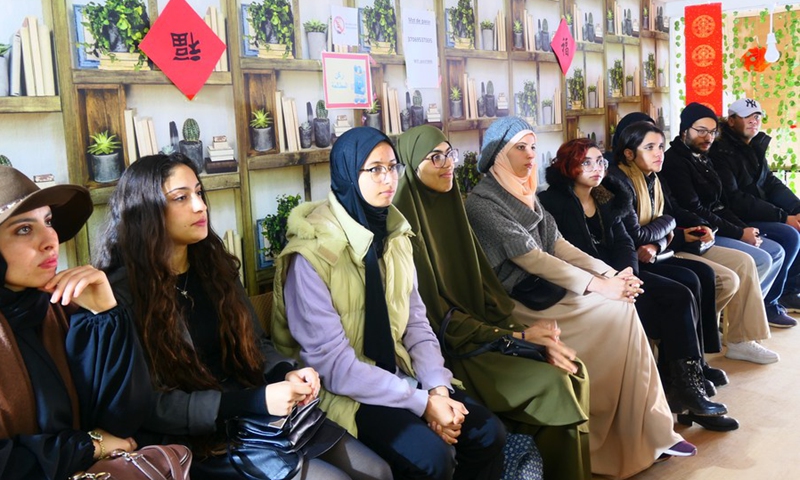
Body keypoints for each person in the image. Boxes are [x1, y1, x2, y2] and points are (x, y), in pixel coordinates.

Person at [96, 154, 391, 480]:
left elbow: (257, 344)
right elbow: (152, 406)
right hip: (199, 439)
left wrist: (286, 372)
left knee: (377, 471)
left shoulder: (213, 266)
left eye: (199, 192)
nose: (200, 206)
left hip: (257, 413)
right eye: (181, 198)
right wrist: (254, 401)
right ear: (144, 210)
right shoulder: (122, 295)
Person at [464, 117, 695, 479]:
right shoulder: (482, 202)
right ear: (497, 154)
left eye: (532, 147)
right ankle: (606, 440)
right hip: (518, 301)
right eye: (519, 148)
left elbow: (558, 245)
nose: (529, 155)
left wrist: (610, 274)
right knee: (618, 312)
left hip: (548, 289)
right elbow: (532, 258)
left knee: (624, 306)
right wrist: (599, 286)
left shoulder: (524, 191)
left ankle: (649, 430)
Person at [271, 127, 507, 480]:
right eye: (375, 169)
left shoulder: (395, 233)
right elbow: (334, 367)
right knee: (432, 457)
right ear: (349, 174)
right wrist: (425, 405)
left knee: (488, 432)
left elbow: (416, 324)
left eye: (393, 166)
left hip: (401, 375)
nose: (389, 178)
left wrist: (437, 388)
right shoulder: (310, 257)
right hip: (343, 393)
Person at [392, 125, 591, 479]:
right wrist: (519, 339)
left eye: (448, 154)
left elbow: (487, 294)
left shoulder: (456, 210)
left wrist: (522, 332)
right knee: (552, 383)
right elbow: (437, 321)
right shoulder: (404, 230)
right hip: (452, 352)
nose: (446, 164)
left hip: (486, 334)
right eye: (434, 157)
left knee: (570, 367)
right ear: (409, 164)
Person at [540, 137, 738, 431]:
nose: (596, 169)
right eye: (586, 162)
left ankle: (688, 385)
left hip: (622, 274)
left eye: (600, 162)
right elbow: (568, 254)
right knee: (664, 299)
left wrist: (629, 274)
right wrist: (611, 280)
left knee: (680, 292)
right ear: (568, 166)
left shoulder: (606, 195)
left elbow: (624, 241)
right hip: (589, 281)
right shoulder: (553, 202)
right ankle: (675, 387)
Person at [0, 166, 149, 479]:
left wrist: (107, 315)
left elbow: (122, 420)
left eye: (48, 222)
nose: (50, 241)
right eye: (24, 229)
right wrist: (88, 445)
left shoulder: (61, 310)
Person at [660, 102, 797, 331]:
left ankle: (750, 310)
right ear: (685, 130)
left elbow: (721, 203)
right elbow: (698, 210)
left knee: (776, 249)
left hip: (719, 224)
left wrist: (745, 229)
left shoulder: (703, 156)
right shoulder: (676, 161)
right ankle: (742, 321)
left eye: (712, 132)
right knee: (764, 255)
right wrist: (741, 232)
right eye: (701, 130)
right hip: (697, 233)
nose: (708, 137)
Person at [711, 98, 800, 314]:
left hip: (756, 210)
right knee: (789, 235)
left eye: (758, 116)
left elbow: (770, 182)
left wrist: (796, 208)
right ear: (731, 121)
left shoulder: (752, 146)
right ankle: (769, 303)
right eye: (748, 116)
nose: (754, 121)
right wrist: (782, 217)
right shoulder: (720, 151)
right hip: (737, 217)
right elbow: (736, 199)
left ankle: (789, 291)